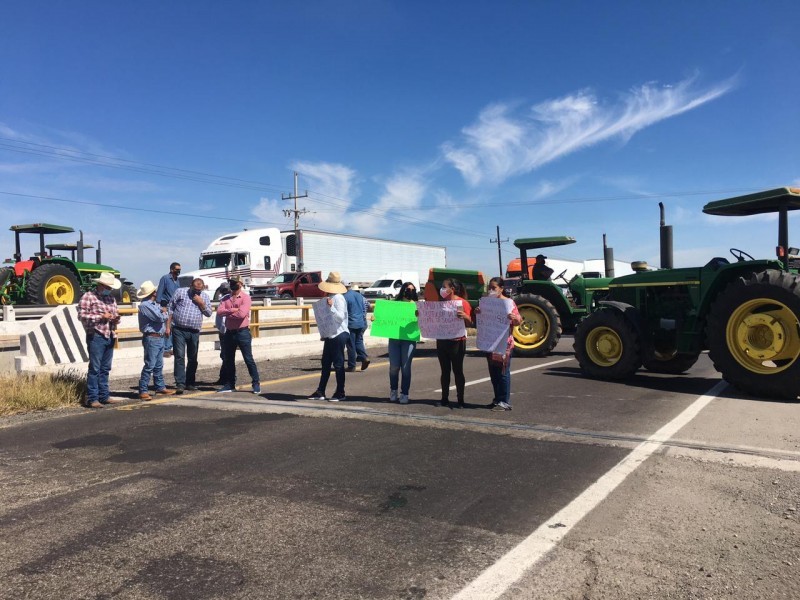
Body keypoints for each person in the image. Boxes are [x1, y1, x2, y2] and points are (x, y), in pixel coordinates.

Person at [77, 272, 123, 408]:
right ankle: (93, 398)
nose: (109, 289)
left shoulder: (111, 298)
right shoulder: (88, 297)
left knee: (105, 368)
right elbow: (81, 315)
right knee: (95, 368)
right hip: (96, 335)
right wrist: (101, 316)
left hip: (109, 334)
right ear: (101, 285)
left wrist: (115, 318)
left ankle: (104, 395)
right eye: (108, 286)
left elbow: (115, 313)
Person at [476, 276, 522, 411]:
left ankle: (504, 401)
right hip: (490, 343)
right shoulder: (486, 303)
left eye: (493, 288)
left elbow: (519, 320)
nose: (491, 290)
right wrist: (478, 312)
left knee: (503, 372)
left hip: (504, 344)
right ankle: (497, 399)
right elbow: (481, 320)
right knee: (493, 373)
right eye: (489, 287)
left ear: (501, 289)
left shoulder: (508, 303)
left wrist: (514, 318)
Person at [216, 275, 261, 395]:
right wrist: (233, 310)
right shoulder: (225, 298)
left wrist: (229, 313)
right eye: (231, 282)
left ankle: (256, 383)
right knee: (228, 359)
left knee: (248, 359)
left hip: (242, 332)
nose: (232, 285)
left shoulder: (246, 298)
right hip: (229, 333)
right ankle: (230, 384)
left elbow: (242, 314)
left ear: (240, 284)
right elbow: (219, 312)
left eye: (234, 283)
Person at [308, 272, 349, 402]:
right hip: (331, 334)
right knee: (326, 363)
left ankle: (340, 392)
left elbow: (340, 317)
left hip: (339, 333)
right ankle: (321, 391)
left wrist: (331, 307)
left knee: (338, 364)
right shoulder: (331, 297)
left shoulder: (339, 298)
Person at [168, 277, 212, 394]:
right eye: (195, 289)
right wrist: (168, 326)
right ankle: (180, 383)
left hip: (194, 331)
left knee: (193, 357)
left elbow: (208, 313)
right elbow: (170, 308)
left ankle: (190, 382)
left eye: (199, 290)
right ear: (190, 286)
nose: (197, 292)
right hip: (179, 329)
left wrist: (201, 303)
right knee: (180, 356)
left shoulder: (205, 297)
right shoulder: (180, 292)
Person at [435, 278, 473, 408]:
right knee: (444, 371)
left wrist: (465, 316)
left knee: (458, 371)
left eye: (444, 287)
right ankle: (444, 398)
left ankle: (460, 400)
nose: (442, 289)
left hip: (457, 341)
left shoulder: (463, 303)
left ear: (452, 289)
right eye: (442, 287)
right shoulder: (440, 303)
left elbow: (470, 323)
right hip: (442, 341)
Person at [136, 280, 176, 401]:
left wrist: (163, 313)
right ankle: (143, 389)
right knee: (150, 364)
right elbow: (159, 317)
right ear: (153, 292)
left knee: (158, 364)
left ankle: (160, 387)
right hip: (152, 337)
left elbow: (163, 315)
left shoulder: (153, 305)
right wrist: (164, 313)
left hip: (158, 337)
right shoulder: (145, 305)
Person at [388, 282, 418, 405]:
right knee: (394, 366)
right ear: (403, 290)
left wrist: (420, 316)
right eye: (408, 289)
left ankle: (404, 393)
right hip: (394, 339)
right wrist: (376, 318)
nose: (410, 291)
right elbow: (384, 317)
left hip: (409, 339)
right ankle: (393, 390)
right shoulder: (394, 304)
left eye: (413, 289)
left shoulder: (416, 306)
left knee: (405, 367)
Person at [343, 281, 370, 372]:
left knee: (351, 345)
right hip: (360, 322)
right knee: (358, 342)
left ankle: (352, 365)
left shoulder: (344, 297)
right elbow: (365, 307)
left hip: (351, 323)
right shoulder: (359, 295)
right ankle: (364, 357)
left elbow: (344, 312)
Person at [156, 262, 182, 357]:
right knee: (167, 328)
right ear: (171, 269)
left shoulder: (177, 280)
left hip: (175, 306)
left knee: (173, 328)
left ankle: (170, 347)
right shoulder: (165, 278)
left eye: (179, 269)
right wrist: (159, 305)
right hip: (166, 306)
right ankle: (165, 349)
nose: (178, 271)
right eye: (177, 269)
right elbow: (160, 291)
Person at [213, 280, 231, 386]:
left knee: (226, 355)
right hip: (224, 331)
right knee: (225, 355)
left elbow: (221, 319)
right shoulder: (222, 300)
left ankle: (227, 377)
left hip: (227, 331)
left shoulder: (227, 300)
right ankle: (224, 377)